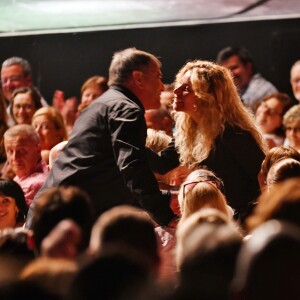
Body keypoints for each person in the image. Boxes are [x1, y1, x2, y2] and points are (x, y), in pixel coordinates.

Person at [26, 48, 176, 228]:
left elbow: (146, 159)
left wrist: (185, 128)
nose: (161, 86)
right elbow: (134, 168)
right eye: (158, 76)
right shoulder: (126, 109)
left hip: (53, 213)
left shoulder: (104, 105)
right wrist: (167, 217)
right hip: (60, 220)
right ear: (138, 78)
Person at [161, 59, 266, 224]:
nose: (177, 91)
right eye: (179, 85)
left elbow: (262, 180)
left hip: (239, 224)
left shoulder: (234, 134)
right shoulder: (187, 133)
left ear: (206, 98)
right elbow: (161, 163)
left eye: (186, 88)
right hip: (210, 222)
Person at [216, 46, 278, 112]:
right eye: (226, 71)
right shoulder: (242, 90)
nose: (230, 74)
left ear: (248, 67)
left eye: (234, 68)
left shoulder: (259, 90)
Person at [3, 124, 49, 205]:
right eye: (10, 151)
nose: (15, 157)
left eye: (21, 151)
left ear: (38, 150)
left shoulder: (35, 185)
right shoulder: (24, 174)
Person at [1, 57, 48, 126]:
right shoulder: (6, 115)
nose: (8, 85)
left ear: (28, 80)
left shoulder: (45, 114)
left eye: (14, 79)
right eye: (4, 81)